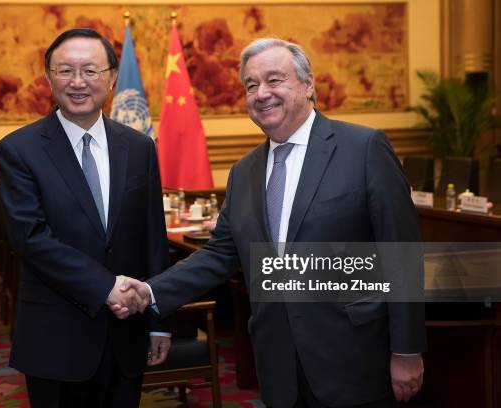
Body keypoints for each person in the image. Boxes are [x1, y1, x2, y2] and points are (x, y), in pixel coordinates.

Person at [115, 38, 426, 408]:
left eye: (275, 80)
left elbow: (402, 254)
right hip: (278, 362)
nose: (262, 93)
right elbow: (220, 254)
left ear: (308, 85)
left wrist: (407, 351)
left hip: (353, 357)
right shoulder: (244, 171)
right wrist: (150, 293)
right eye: (251, 84)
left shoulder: (363, 149)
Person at [0, 28, 171, 408]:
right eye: (65, 71)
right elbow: (30, 238)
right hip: (56, 337)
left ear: (110, 79)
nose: (78, 83)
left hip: (127, 332)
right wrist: (105, 287)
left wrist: (158, 320)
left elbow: (152, 236)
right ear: (48, 78)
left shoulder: (139, 147)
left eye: (90, 71)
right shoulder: (18, 150)